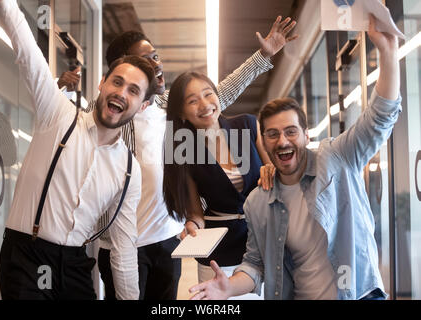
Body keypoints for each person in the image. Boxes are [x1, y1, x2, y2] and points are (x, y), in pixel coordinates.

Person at [188, 15, 401, 300]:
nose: (283, 141)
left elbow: (379, 119)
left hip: (358, 294)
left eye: (291, 131)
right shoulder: (258, 202)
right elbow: (255, 263)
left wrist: (387, 52)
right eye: (272, 134)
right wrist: (229, 286)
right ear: (262, 140)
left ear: (306, 135)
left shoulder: (336, 158)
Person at [84, 16, 297, 300]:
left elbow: (217, 94)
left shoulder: (168, 110)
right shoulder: (107, 114)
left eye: (155, 56)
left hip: (165, 239)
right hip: (120, 243)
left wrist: (264, 55)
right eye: (146, 60)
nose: (156, 64)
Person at [0, 0, 156, 300]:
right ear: (101, 83)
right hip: (27, 257)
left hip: (75, 265)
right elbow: (26, 50)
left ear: (143, 105)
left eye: (133, 91)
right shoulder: (57, 114)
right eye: (117, 82)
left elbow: (123, 249)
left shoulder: (129, 171)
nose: (122, 92)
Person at [162, 67, 276, 300]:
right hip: (219, 252)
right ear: (182, 113)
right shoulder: (185, 152)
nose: (204, 104)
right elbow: (196, 212)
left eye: (208, 93)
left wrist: (271, 170)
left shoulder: (247, 125)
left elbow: (276, 171)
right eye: (192, 100)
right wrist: (193, 225)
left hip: (263, 242)